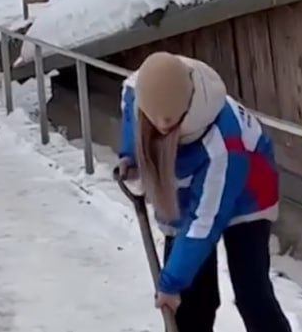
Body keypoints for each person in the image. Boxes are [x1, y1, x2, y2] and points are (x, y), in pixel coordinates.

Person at [118, 51, 292, 332]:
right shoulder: (140, 90)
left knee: (251, 291)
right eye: (156, 124)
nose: (162, 130)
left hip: (250, 190)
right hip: (192, 181)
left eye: (171, 125)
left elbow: (203, 223)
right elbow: (132, 120)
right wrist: (130, 159)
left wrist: (169, 283)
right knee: (193, 299)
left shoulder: (223, 143)